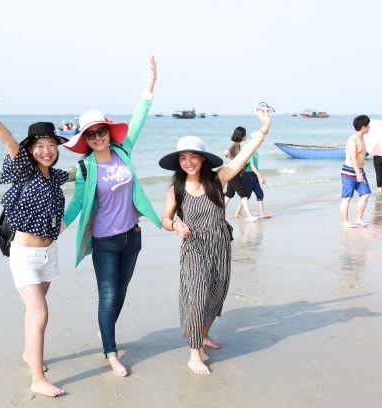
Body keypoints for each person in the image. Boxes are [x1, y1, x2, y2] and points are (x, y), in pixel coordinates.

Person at [62, 56, 161, 377]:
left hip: (132, 236)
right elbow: (78, 203)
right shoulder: (85, 167)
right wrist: (60, 224)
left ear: (108, 131)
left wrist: (151, 83)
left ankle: (105, 331)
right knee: (107, 296)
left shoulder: (122, 151)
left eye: (101, 131)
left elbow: (140, 117)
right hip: (104, 242)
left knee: (121, 291)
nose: (98, 137)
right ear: (85, 140)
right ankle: (111, 353)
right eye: (91, 135)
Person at [159, 107, 271, 375]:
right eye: (183, 158)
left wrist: (264, 130)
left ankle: (204, 333)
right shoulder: (176, 188)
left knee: (216, 294)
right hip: (194, 247)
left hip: (220, 244)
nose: (188, 162)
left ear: (202, 159)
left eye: (193, 157)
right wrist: (175, 225)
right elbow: (165, 219)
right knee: (197, 296)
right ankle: (194, 353)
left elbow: (243, 155)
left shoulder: (217, 179)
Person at [0, 82, 69, 397]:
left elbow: (81, 174)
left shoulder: (54, 176)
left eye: (52, 145)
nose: (47, 150)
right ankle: (37, 379)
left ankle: (30, 354)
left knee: (33, 312)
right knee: (40, 312)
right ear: (30, 149)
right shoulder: (24, 170)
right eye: (40, 145)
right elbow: (7, 141)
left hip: (48, 254)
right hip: (24, 256)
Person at [341, 115, 372, 228]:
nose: (369, 127)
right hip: (349, 172)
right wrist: (358, 174)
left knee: (365, 194)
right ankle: (345, 222)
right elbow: (353, 158)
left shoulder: (363, 139)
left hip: (360, 171)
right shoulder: (352, 140)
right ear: (363, 127)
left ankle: (358, 218)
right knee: (347, 198)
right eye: (368, 126)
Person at [223, 126, 257, 221]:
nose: (246, 135)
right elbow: (226, 152)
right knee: (244, 195)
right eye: (245, 134)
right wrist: (235, 161)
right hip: (233, 173)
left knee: (229, 194)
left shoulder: (238, 145)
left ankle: (219, 215)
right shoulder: (233, 144)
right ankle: (249, 216)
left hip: (234, 172)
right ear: (240, 135)